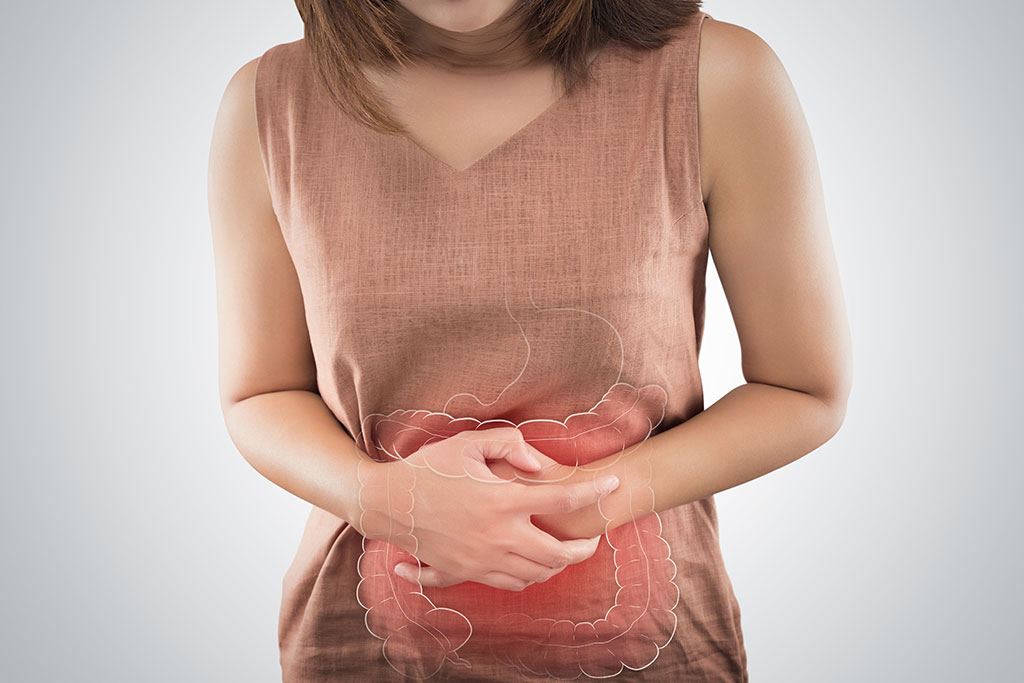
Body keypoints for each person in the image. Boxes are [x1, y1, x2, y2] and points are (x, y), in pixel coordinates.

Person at [207, 0, 852, 680]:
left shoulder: (717, 76)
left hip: (658, 651)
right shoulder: (268, 104)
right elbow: (260, 392)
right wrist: (377, 497)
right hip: (357, 647)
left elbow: (802, 389)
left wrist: (581, 502)